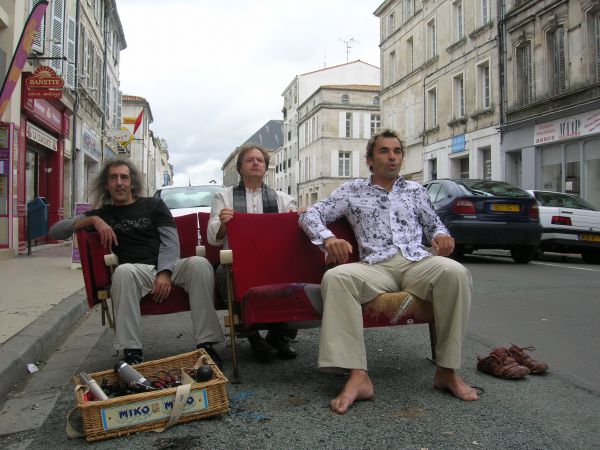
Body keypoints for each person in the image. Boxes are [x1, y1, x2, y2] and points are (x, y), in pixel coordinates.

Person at [298, 129, 477, 414]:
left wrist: (442, 237)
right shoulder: (352, 190)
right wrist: (328, 238)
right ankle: (358, 375)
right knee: (336, 277)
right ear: (370, 160)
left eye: (397, 151)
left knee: (455, 272)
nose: (392, 156)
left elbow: (434, 224)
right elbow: (310, 214)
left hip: (416, 262)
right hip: (376, 265)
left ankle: (446, 370)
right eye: (384, 151)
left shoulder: (415, 191)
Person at [49, 158, 224, 367]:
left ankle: (206, 344)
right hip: (135, 271)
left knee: (200, 264)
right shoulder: (103, 214)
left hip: (169, 265)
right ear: (106, 184)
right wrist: (93, 220)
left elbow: (170, 242)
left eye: (124, 177)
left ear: (132, 183)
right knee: (122, 272)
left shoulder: (154, 205)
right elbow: (55, 231)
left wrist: (165, 272)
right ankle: (132, 351)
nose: (119, 183)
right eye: (113, 178)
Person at [207, 143, 298, 362]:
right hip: (236, 264)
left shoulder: (282, 199)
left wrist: (299, 217)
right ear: (240, 168)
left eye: (260, 160)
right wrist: (223, 224)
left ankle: (278, 335)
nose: (256, 163)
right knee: (223, 274)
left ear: (266, 167)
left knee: (293, 271)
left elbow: (295, 230)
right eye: (250, 160)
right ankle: (254, 338)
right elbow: (212, 237)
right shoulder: (224, 197)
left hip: (273, 263)